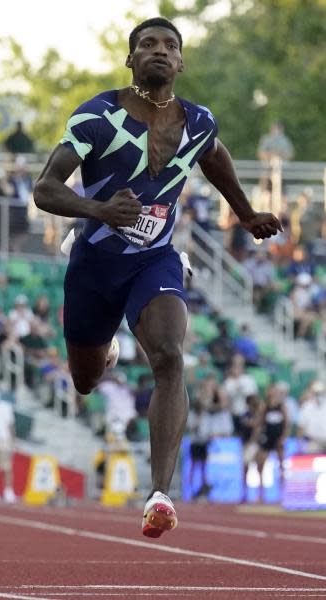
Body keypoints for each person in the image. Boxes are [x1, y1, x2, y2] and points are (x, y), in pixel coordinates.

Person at [32, 17, 281, 538]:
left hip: (156, 258)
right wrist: (99, 209)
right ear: (131, 59)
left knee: (168, 354)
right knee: (85, 380)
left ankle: (159, 494)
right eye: (147, 44)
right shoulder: (96, 117)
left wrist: (246, 212)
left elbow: (214, 158)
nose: (160, 51)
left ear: (182, 61)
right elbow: (45, 189)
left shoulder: (198, 122)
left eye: (170, 45)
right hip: (95, 264)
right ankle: (108, 348)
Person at [250, 383, 289, 503]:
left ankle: (282, 495)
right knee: (260, 464)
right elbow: (260, 422)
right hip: (267, 437)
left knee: (281, 465)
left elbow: (287, 423)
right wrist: (255, 437)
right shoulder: (265, 406)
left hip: (277, 438)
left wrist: (283, 437)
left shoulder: (282, 406)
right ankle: (261, 494)